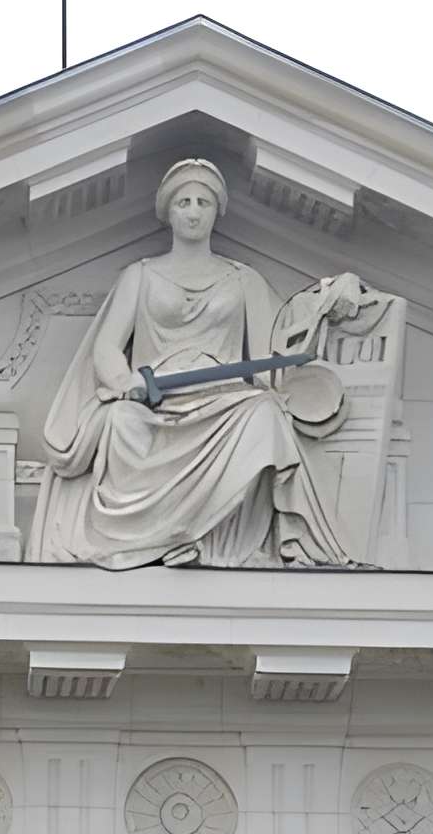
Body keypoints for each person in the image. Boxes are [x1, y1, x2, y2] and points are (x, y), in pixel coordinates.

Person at [31, 158, 356, 568]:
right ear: (168, 211)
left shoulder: (242, 279)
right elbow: (107, 346)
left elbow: (282, 338)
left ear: (216, 212)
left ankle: (209, 536)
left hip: (224, 401)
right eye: (183, 202)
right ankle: (154, 539)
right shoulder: (141, 276)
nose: (193, 211)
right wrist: (124, 381)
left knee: (265, 414)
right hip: (156, 400)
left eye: (203, 202)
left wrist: (332, 295)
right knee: (120, 423)